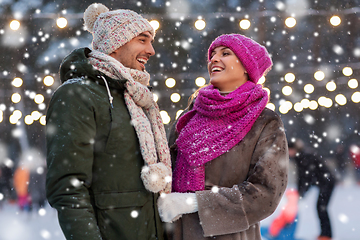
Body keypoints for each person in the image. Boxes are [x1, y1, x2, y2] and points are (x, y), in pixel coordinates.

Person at [46, 3, 171, 240]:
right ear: (114, 44)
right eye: (142, 40)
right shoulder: (78, 95)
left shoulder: (137, 96)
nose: (151, 50)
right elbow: (68, 187)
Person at [158, 34, 289, 239]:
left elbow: (266, 193)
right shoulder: (190, 115)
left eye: (225, 53)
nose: (214, 59)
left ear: (247, 67)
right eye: (213, 55)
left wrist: (195, 203)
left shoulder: (264, 122)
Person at [288, 139, 336, 240]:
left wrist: (300, 192)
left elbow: (306, 177)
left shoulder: (304, 157)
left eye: (289, 150)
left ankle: (326, 235)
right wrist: (300, 192)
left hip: (327, 182)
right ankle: (325, 234)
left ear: (293, 149)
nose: (288, 153)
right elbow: (302, 177)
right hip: (323, 182)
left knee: (321, 207)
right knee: (320, 207)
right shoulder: (300, 156)